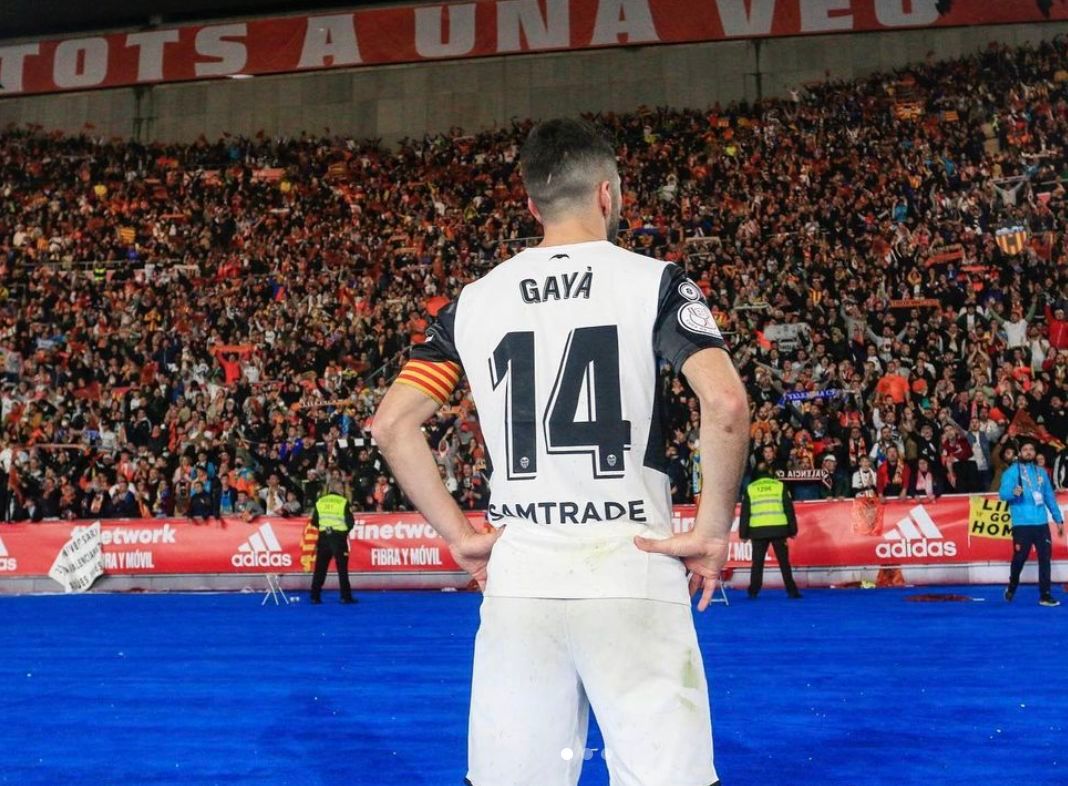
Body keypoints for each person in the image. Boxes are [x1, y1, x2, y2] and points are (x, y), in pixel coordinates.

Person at [373, 118, 748, 786]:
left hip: (522, 578)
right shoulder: (655, 282)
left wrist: (461, 537)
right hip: (634, 568)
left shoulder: (474, 302)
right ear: (607, 194)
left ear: (530, 205)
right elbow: (724, 403)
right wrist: (712, 531)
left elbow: (392, 426)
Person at [1000, 438, 1065, 607]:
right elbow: (1003, 493)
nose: (1028, 451)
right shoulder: (1012, 472)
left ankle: (1045, 595)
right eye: (1025, 449)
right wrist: (1013, 492)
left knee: (1045, 559)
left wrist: (1058, 519)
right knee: (1020, 558)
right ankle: (1012, 585)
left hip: (1041, 523)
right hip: (1021, 524)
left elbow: (1049, 497)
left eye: (1031, 449)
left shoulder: (1041, 472)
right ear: (1020, 452)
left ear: (1035, 453)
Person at [740, 465, 801, 599]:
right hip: (779, 529)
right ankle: (792, 591)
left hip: (758, 530)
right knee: (784, 562)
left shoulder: (751, 488)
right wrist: (793, 530)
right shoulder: (779, 486)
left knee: (757, 563)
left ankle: (753, 591)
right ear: (770, 472)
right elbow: (789, 510)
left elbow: (745, 514)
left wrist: (743, 534)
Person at [309, 480, 357, 605]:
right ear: (338, 488)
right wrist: (343, 532)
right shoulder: (343, 502)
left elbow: (314, 521)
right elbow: (350, 522)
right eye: (342, 487)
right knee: (342, 569)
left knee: (320, 568)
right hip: (338, 538)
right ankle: (345, 597)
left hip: (324, 537)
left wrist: (325, 526)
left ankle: (315, 596)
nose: (343, 489)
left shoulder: (320, 502)